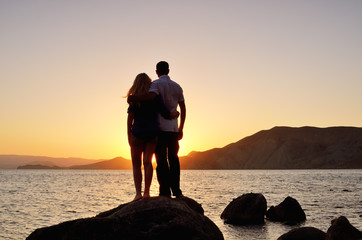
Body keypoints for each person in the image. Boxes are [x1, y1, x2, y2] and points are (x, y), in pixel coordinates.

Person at [128, 61, 186, 198]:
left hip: (158, 128)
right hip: (171, 129)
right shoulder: (177, 86)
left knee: (160, 161)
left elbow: (151, 98)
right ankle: (176, 191)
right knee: (173, 159)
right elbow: (182, 108)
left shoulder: (155, 85)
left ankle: (162, 192)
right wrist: (181, 127)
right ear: (169, 70)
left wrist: (132, 97)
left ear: (157, 71)